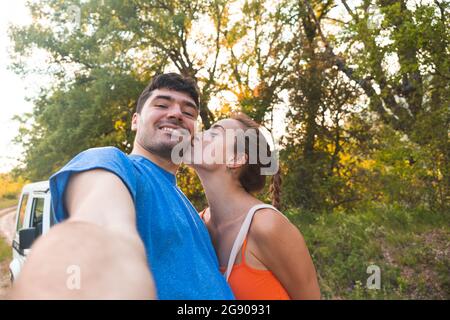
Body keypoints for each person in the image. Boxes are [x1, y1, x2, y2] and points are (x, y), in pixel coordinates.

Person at [10, 73, 234, 300]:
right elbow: (99, 228)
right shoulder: (113, 164)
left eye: (188, 113)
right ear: (135, 120)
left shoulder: (187, 207)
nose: (176, 114)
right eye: (162, 104)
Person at [188, 113, 321, 300]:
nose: (199, 134)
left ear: (236, 159)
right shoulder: (196, 225)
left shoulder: (267, 226)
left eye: (215, 133)